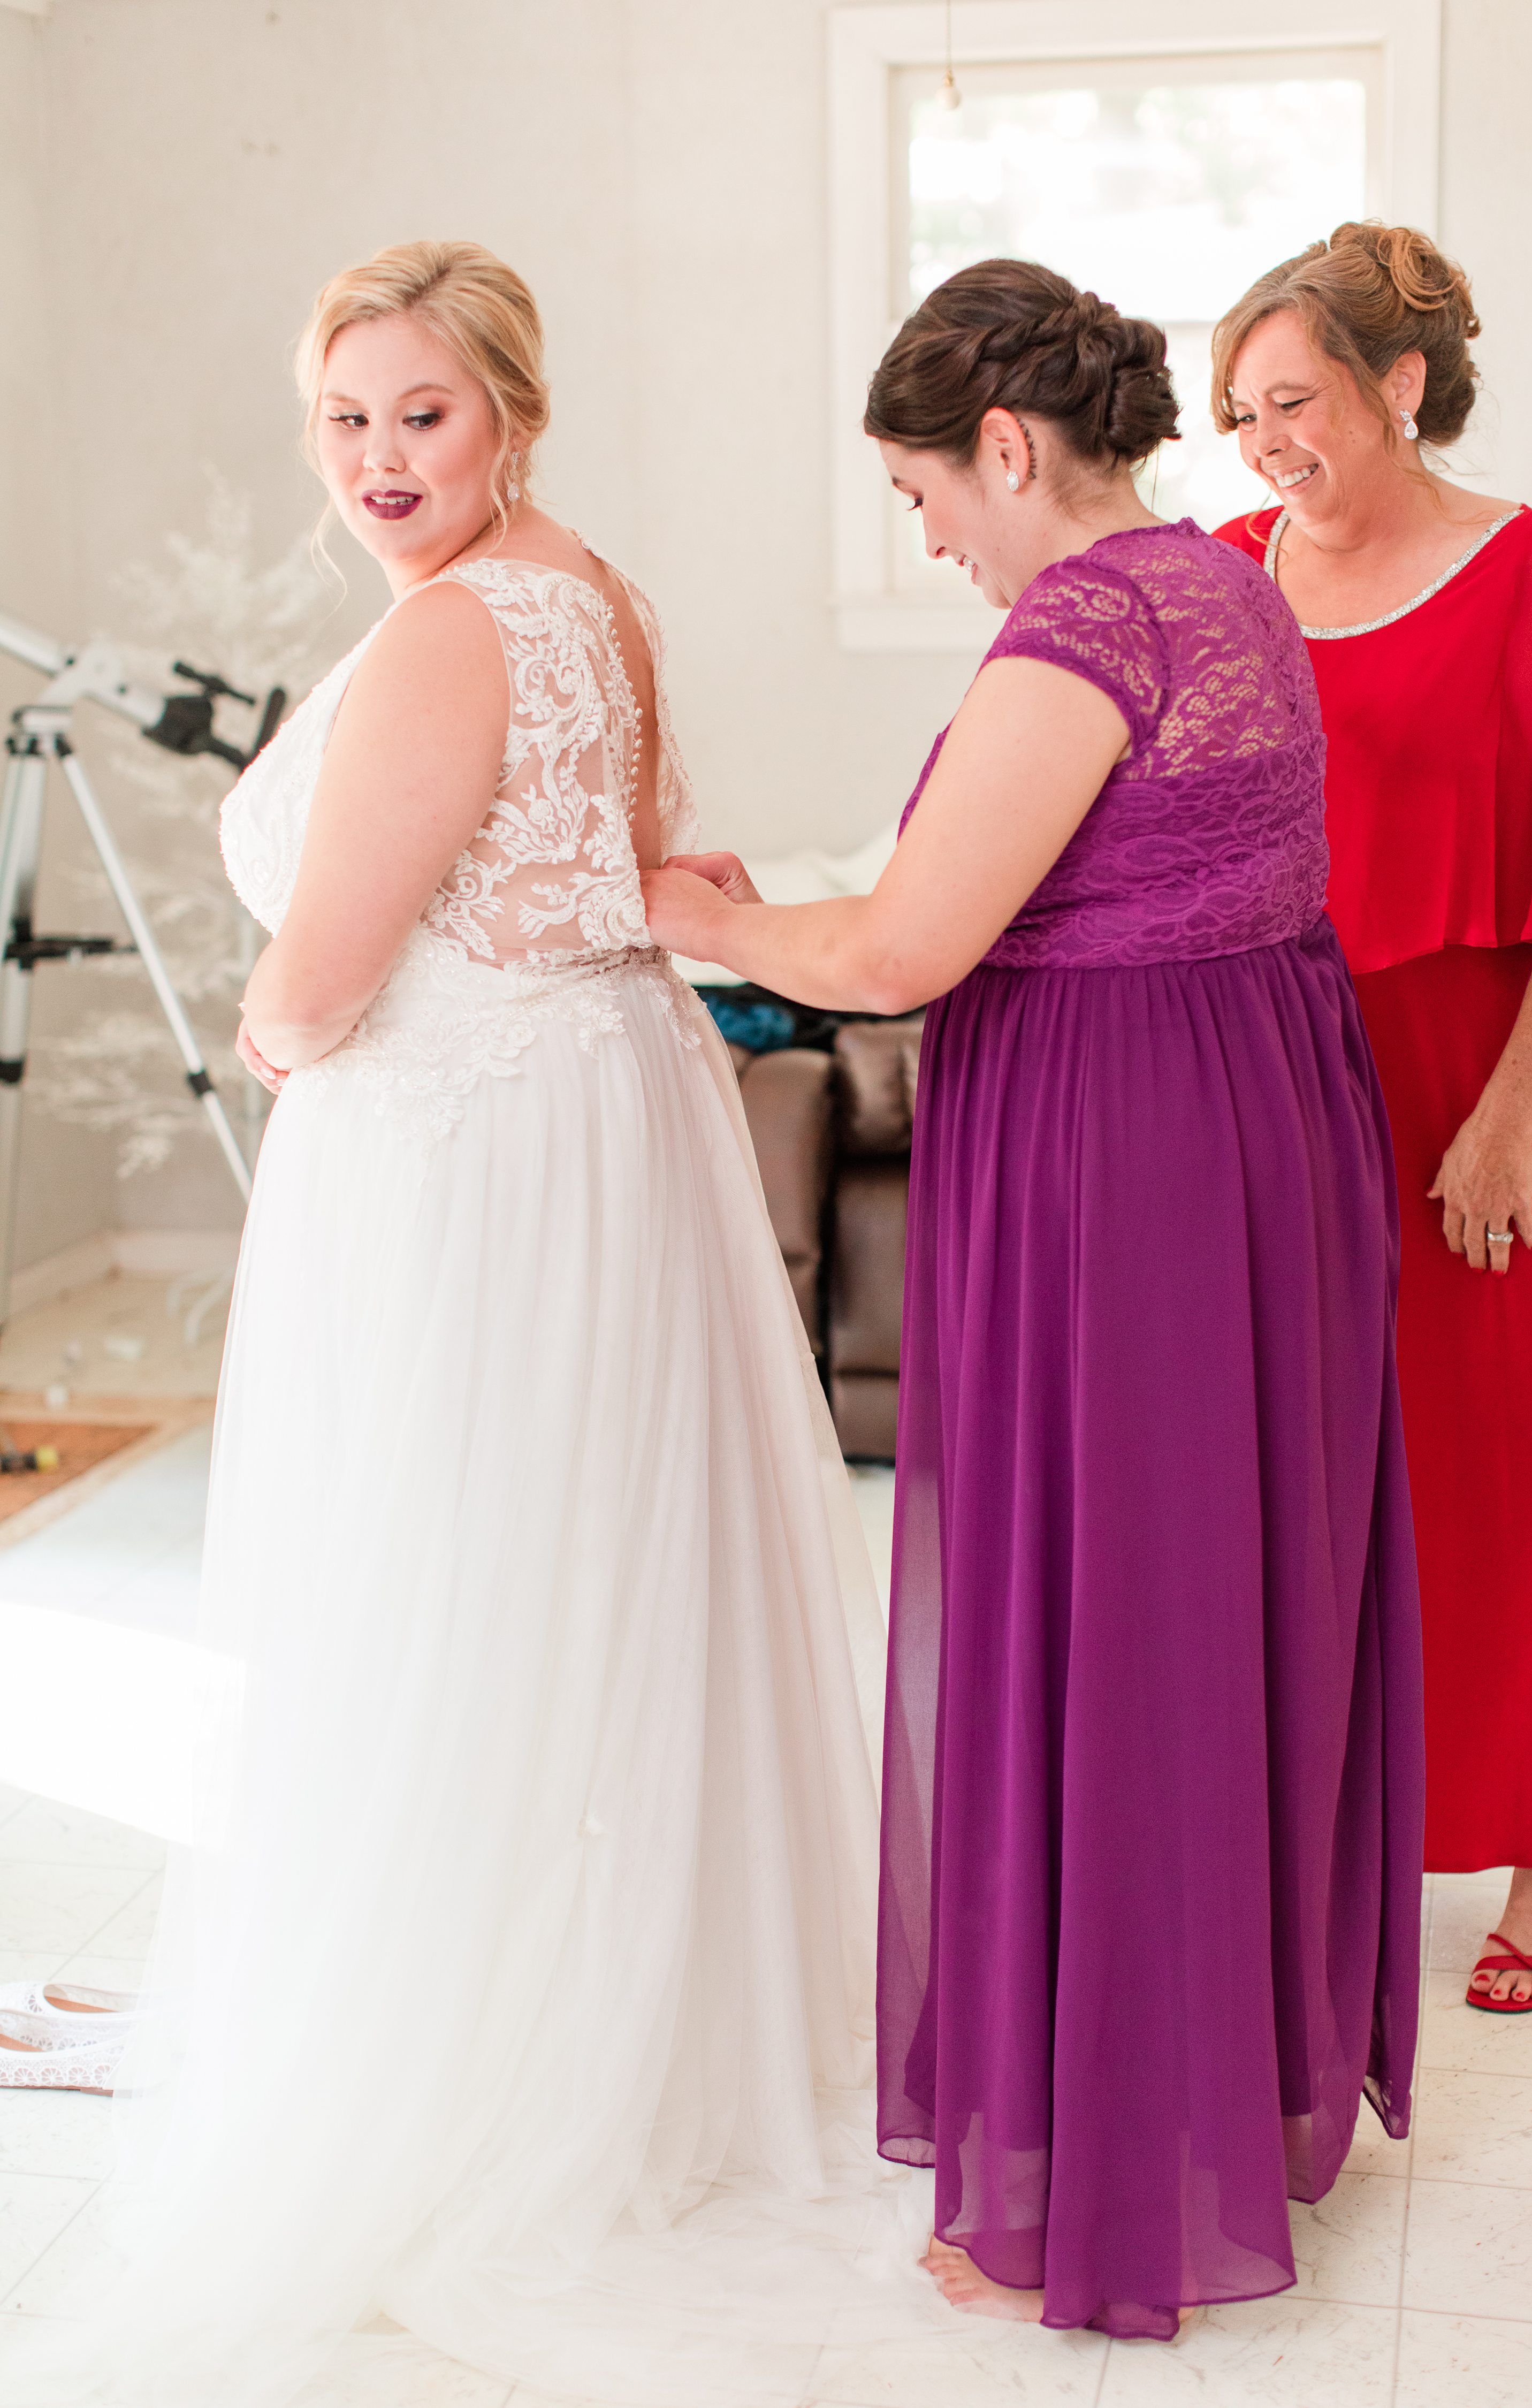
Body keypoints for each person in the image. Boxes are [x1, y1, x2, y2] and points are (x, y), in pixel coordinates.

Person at [18, 240, 893, 2408]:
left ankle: (436, 2052)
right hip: (596, 1115)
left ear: (511, 409)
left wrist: (273, 1017)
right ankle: (602, 2021)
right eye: (345, 420)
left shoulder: (451, 638)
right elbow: (642, 865)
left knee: (439, 1581)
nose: (382, 461)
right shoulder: (597, 593)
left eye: (423, 414)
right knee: (568, 1581)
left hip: (454, 1153)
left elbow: (325, 968)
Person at [645, 257, 1426, 2342]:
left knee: (1114, 1627)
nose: (931, 538)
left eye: (924, 492)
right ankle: (1226, 2097)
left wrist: (675, 907)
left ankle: (1089, 2176)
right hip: (1257, 1121)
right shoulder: (1229, 583)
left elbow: (907, 949)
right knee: (1217, 1605)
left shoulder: (1081, 623)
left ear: (1006, 446)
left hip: (1133, 1161)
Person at [1213, 222, 1532, 2012]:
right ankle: (1329, 1829)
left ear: (1402, 386)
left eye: (1293, 399)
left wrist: (1508, 1118)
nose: (1264, 440)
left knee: (1517, 1474)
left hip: (1487, 1087)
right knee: (1310, 1476)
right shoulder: (1220, 573)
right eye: (1238, 410)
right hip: (1281, 1095)